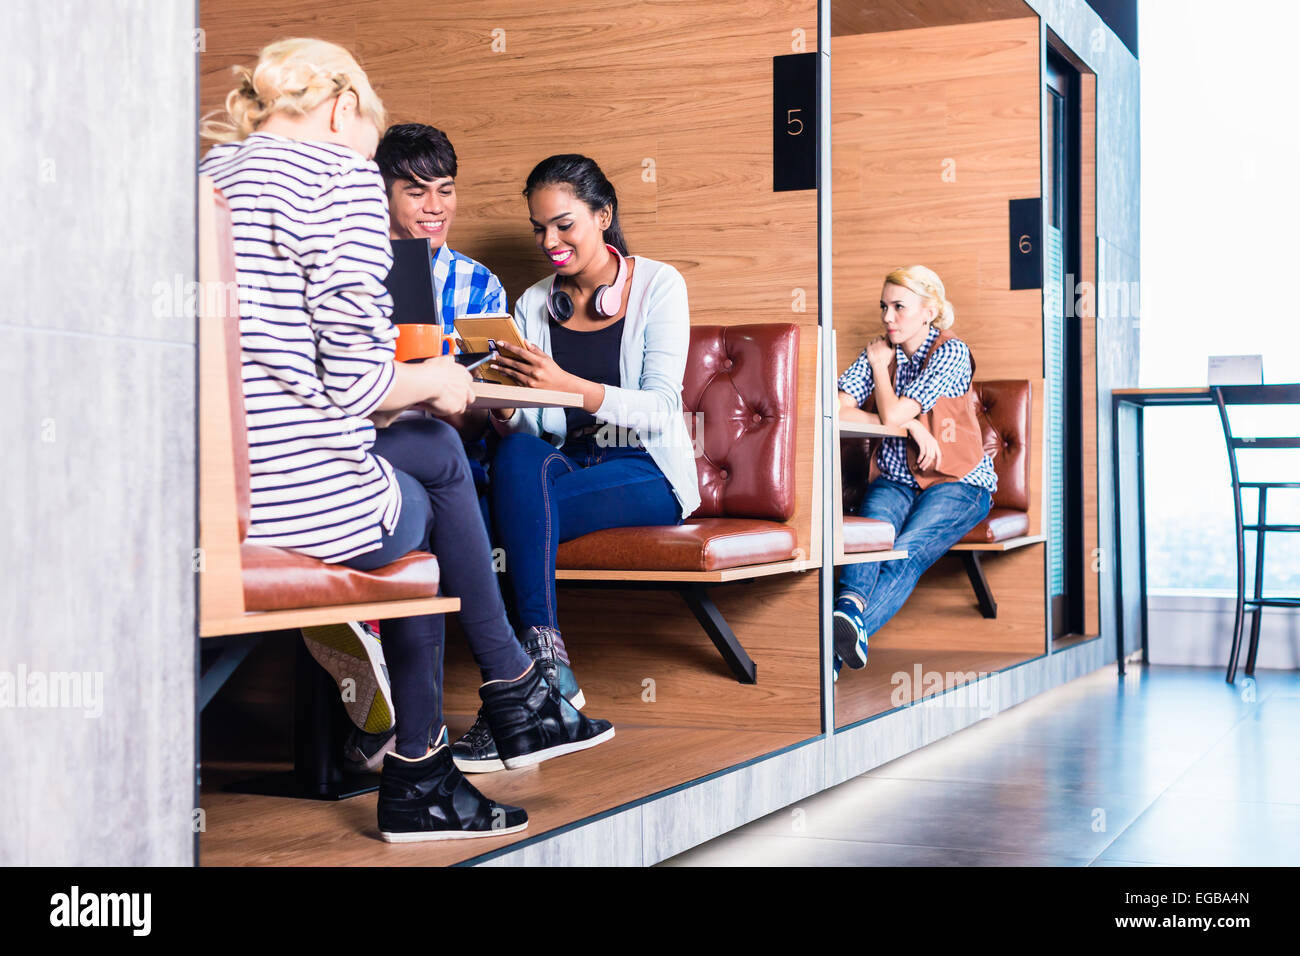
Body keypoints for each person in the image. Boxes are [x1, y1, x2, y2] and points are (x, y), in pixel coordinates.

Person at [199, 39, 613, 841]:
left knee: (431, 456)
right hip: (296, 503)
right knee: (428, 482)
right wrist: (442, 382)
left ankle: (494, 704)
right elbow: (360, 382)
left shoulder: (209, 177)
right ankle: (468, 730)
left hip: (216, 493)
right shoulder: (341, 177)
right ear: (345, 107)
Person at [450, 154, 700, 772]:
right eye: (539, 229)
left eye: (564, 225)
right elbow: (543, 428)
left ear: (603, 216)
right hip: (569, 461)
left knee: (480, 523)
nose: (549, 242)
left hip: (647, 467)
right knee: (516, 452)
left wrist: (564, 382)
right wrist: (509, 407)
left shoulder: (660, 285)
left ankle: (519, 698)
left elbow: (664, 409)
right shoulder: (536, 302)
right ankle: (545, 675)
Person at [832, 265, 997, 681]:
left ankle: (830, 650)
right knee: (869, 539)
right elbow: (835, 407)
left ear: (929, 311)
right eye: (884, 307)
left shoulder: (951, 352)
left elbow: (891, 411)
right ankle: (848, 612)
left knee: (905, 550)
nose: (888, 317)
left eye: (899, 307)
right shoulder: (880, 351)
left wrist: (897, 410)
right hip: (896, 479)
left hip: (959, 483)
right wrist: (915, 426)